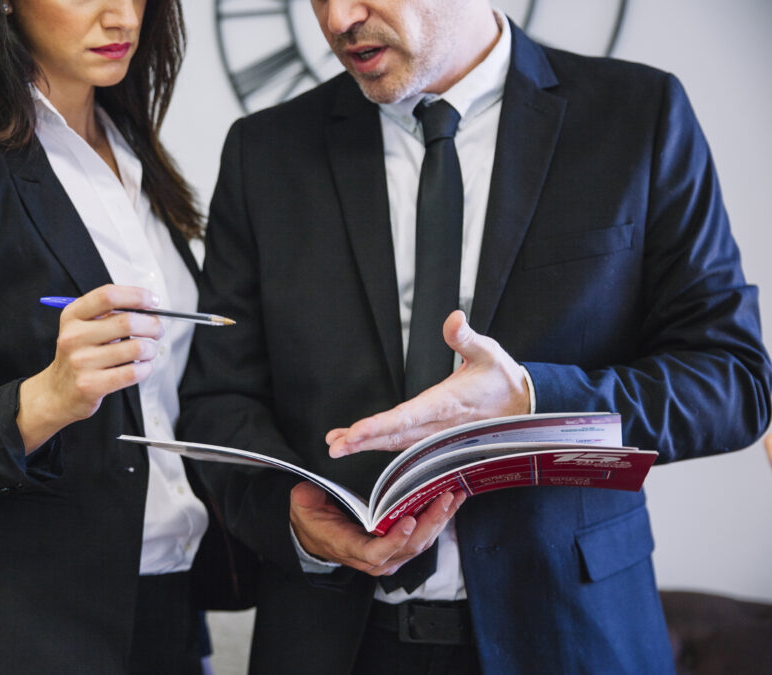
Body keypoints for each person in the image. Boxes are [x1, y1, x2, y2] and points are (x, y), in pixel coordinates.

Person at [178, 0, 772, 673]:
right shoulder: (265, 151)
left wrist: (530, 397)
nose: (339, 17)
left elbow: (734, 382)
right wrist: (291, 522)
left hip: (572, 637)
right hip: (332, 639)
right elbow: (217, 401)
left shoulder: (639, 115)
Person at [0, 0, 252, 672]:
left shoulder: (131, 152)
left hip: (170, 612)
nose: (122, 15)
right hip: (20, 637)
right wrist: (45, 400)